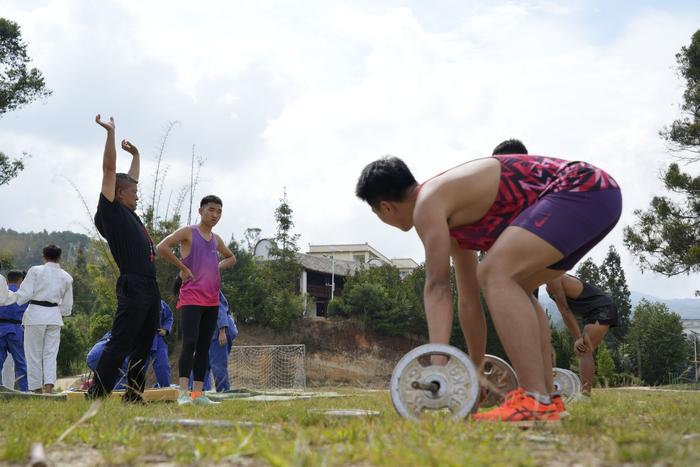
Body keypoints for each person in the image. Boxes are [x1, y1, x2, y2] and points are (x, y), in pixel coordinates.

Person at [356, 152, 621, 424]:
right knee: (516, 283)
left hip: (583, 188)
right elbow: (468, 300)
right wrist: (475, 368)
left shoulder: (428, 203)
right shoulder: (451, 217)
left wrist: (438, 365)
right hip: (599, 196)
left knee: (495, 272)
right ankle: (548, 400)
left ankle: (534, 399)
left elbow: (437, 287)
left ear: (385, 207)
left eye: (376, 212)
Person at [88, 115, 160, 402]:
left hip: (150, 286)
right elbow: (109, 169)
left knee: (143, 343)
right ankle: (97, 394)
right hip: (133, 285)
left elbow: (130, 179)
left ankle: (133, 395)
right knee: (120, 342)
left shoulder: (128, 211)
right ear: (118, 195)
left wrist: (138, 155)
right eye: (133, 193)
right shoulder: (111, 212)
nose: (137, 196)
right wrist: (110, 134)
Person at [157, 195, 236, 405]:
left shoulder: (216, 240)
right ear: (201, 211)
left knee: (203, 348)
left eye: (219, 211)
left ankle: (198, 395)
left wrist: (216, 267)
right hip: (191, 298)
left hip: (211, 301)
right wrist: (182, 267)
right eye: (211, 210)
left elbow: (232, 257)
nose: (215, 215)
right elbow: (162, 247)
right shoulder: (188, 232)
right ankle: (184, 393)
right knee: (189, 344)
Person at [2, 245, 73, 393]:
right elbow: (66, 308)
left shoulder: (35, 271)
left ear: (44, 256)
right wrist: (53, 310)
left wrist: (8, 297)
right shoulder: (67, 277)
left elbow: (24, 294)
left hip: (35, 315)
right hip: (54, 317)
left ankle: (36, 389)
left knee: (33, 354)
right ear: (59, 257)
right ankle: (49, 388)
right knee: (50, 354)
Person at [546, 274, 618, 396]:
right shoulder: (549, 283)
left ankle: (585, 395)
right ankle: (584, 393)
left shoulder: (553, 278)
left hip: (602, 309)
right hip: (591, 313)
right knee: (583, 351)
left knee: (584, 349)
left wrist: (579, 337)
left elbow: (565, 310)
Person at [192, 291, 238, 392]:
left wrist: (222, 330)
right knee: (198, 365)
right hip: (207, 334)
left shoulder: (209, 287)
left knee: (218, 365)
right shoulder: (193, 293)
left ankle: (223, 393)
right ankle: (197, 393)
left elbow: (220, 309)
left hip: (219, 331)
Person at [0, 270, 29, 391]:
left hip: (0, 328)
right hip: (16, 330)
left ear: (7, 280)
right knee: (20, 362)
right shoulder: (22, 295)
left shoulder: (2, 292)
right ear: (20, 280)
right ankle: (24, 389)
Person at [149, 300, 174, 388]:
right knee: (137, 366)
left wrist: (166, 329)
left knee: (163, 365)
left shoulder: (160, 302)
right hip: (140, 338)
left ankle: (166, 389)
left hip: (158, 337)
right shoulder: (134, 299)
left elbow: (169, 316)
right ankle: (133, 392)